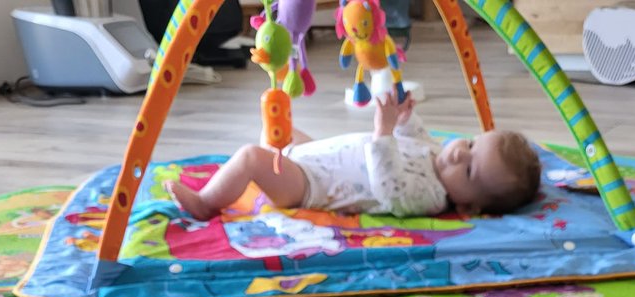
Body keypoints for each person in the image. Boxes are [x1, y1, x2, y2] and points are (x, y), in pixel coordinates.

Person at [167, 91, 541, 222]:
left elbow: (390, 189)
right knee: (281, 133)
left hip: (309, 186)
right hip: (312, 156)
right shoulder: (436, 154)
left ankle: (206, 201)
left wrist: (383, 132)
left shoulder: (430, 196)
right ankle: (273, 157)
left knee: (251, 157)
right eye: (471, 144)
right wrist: (405, 117)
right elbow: (414, 137)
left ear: (470, 206)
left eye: (470, 170)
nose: (459, 154)